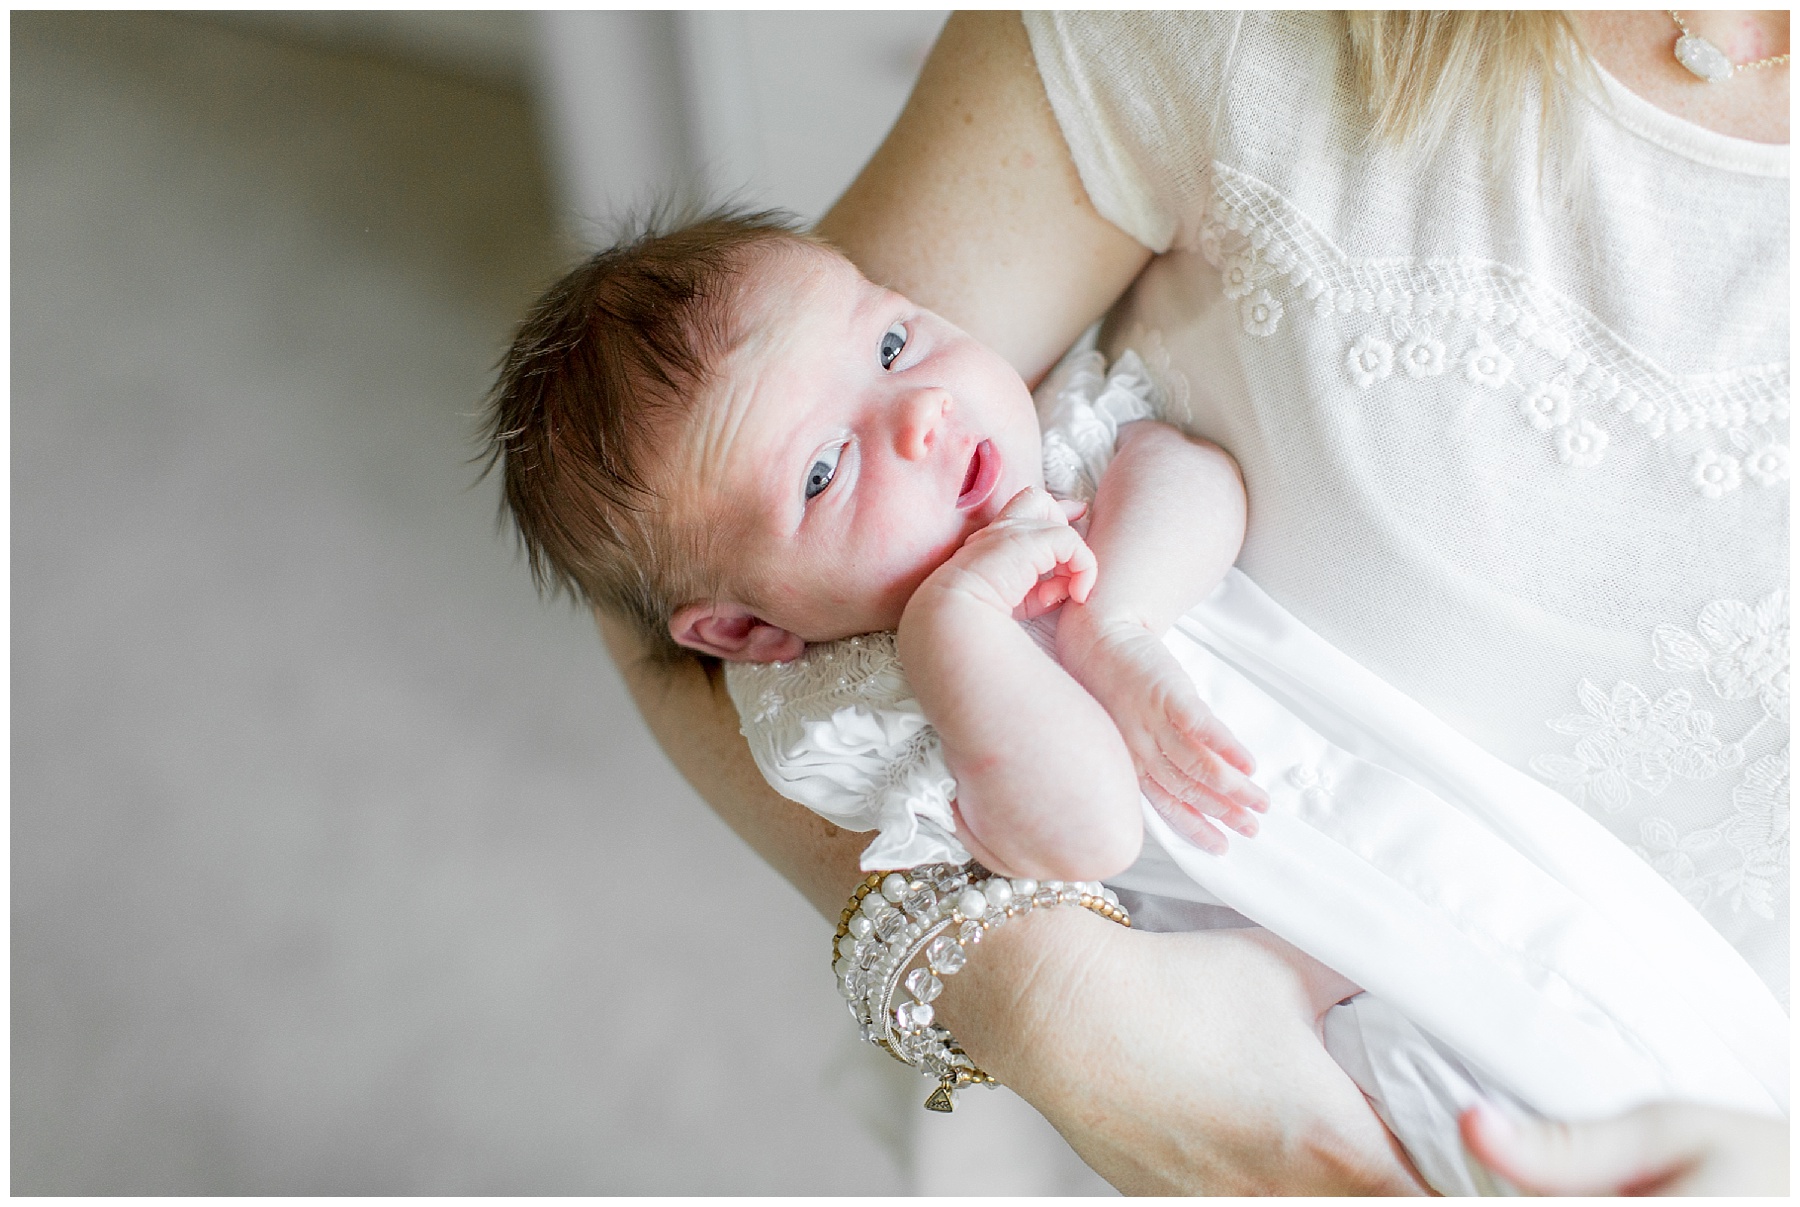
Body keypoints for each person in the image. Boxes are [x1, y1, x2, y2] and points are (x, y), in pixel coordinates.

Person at [570, 11, 1787, 1194]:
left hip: (1436, 851)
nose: (920, 414)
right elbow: (1087, 829)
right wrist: (964, 634)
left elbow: (1192, 477)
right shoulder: (871, 696)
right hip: (1279, 975)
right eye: (825, 471)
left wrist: (1118, 619)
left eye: (892, 345)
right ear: (750, 630)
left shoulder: (1042, 461)